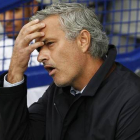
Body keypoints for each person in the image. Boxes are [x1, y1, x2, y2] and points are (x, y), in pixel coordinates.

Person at [0, 2, 140, 140]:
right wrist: (15, 71)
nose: (40, 57)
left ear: (83, 40)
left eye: (50, 44)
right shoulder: (59, 90)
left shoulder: (132, 99)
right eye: (39, 49)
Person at [0, 0, 47, 106]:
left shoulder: (50, 45)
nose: (7, 19)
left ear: (32, 7)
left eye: (15, 10)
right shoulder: (1, 48)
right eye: (2, 11)